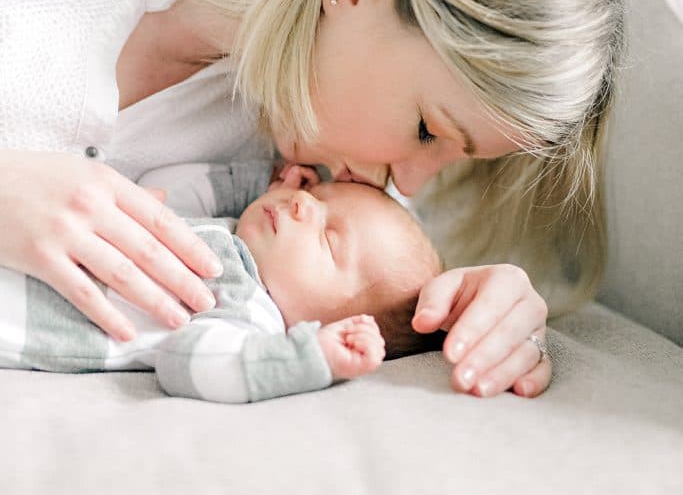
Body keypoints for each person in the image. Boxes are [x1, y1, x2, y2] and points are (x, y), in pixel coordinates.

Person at [0, 0, 625, 401]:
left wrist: (478, 310)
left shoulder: (299, 167)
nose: (407, 183)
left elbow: (382, 267)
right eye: (428, 130)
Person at [0, 165, 442, 403]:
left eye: (328, 237)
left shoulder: (251, 315)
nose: (304, 203)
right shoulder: (231, 231)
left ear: (327, 318)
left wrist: (307, 358)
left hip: (24, 315)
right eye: (321, 196)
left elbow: (187, 360)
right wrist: (261, 179)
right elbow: (162, 187)